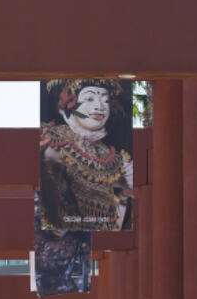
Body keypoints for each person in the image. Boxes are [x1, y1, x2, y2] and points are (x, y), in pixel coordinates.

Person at [39, 79, 134, 232]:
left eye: (105, 100)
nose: (100, 107)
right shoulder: (50, 138)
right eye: (89, 99)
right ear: (69, 104)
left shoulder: (115, 158)